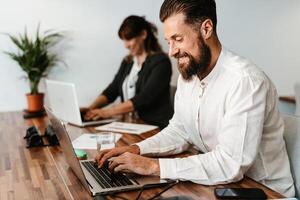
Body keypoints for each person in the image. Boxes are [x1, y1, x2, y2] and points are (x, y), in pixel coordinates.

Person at [95, 0, 295, 197]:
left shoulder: (245, 81)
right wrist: (137, 149)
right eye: (168, 41)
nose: (172, 51)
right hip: (218, 184)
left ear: (206, 29)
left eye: (178, 39)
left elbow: (229, 164)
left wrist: (153, 166)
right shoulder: (190, 73)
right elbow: (179, 131)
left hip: (263, 191)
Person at [83, 15, 173, 129]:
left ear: (143, 35)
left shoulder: (161, 62)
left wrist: (106, 112)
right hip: (132, 125)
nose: (126, 45)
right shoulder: (128, 61)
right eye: (124, 40)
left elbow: (144, 98)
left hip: (156, 126)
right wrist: (90, 108)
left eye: (129, 39)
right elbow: (112, 90)